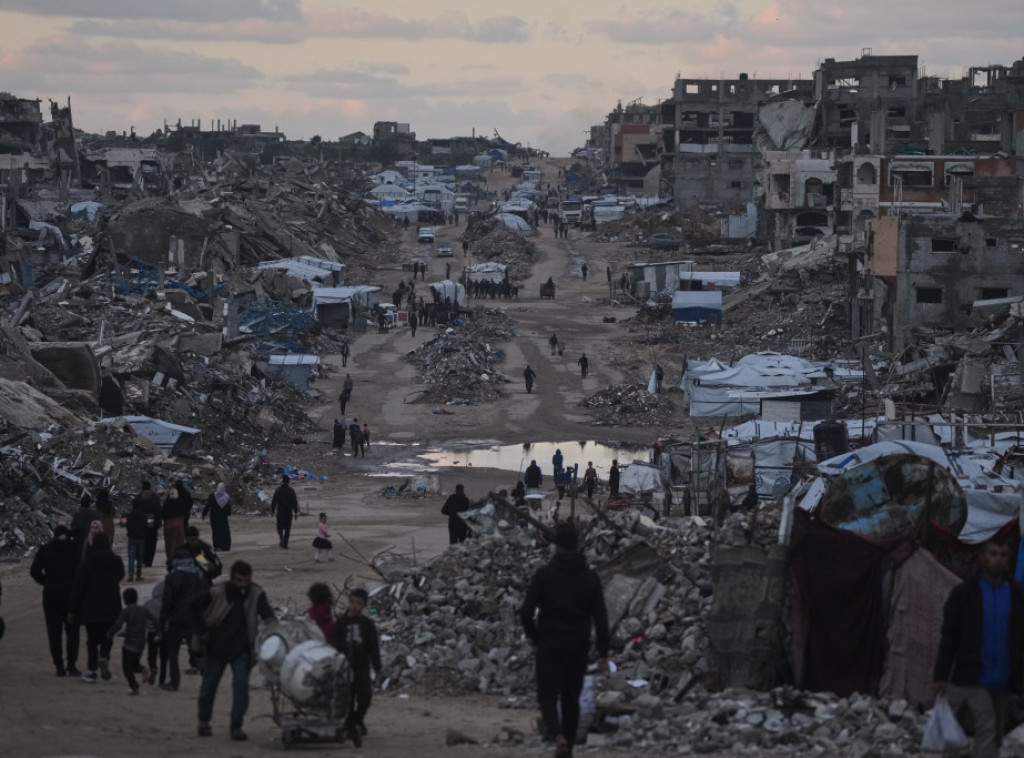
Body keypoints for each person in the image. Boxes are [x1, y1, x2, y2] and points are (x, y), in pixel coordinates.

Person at [520, 524, 610, 758]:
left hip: (549, 642)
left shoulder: (544, 575)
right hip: (578, 644)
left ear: (556, 547)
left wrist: (535, 636)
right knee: (571, 698)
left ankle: (558, 736)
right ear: (578, 546)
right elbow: (601, 618)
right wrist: (603, 653)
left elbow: (526, 612)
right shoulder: (590, 578)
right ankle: (568, 745)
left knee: (547, 695)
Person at [934, 537, 1024, 758]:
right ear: (982, 557)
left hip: (1003, 679)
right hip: (974, 676)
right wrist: (940, 676)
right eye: (993, 554)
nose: (998, 560)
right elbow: (949, 638)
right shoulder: (965, 595)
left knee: (996, 734)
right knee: (986, 725)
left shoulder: (1016, 596)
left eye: (1003, 555)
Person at [189, 560, 275, 741]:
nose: (242, 584)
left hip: (242, 650)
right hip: (215, 649)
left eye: (246, 581)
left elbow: (268, 616)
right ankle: (203, 722)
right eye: (239, 580)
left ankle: (236, 726)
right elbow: (192, 607)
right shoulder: (217, 592)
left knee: (241, 687)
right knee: (209, 686)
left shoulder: (256, 593)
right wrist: (201, 630)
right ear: (232, 578)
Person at [68, 532, 124, 684]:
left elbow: (78, 588)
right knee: (108, 635)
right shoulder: (116, 561)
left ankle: (92, 671)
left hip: (91, 607)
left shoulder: (86, 563)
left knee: (92, 641)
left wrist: (72, 609)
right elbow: (120, 576)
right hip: (112, 606)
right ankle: (104, 656)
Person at [330, 589, 381, 748]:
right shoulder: (341, 623)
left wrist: (377, 666)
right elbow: (333, 642)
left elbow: (373, 647)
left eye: (358, 603)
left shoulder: (367, 624)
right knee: (348, 699)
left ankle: (357, 721)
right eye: (352, 602)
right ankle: (352, 726)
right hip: (344, 667)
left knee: (365, 697)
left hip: (361, 666)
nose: (354, 606)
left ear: (364, 605)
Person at [30, 526, 81, 677]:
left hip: (51, 595)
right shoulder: (73, 549)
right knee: (73, 632)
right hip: (70, 596)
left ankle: (59, 666)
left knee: (54, 633)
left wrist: (45, 582)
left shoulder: (45, 550)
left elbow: (34, 571)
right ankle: (71, 664)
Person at [161, 545, 208, 691]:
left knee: (173, 654)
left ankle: (174, 683)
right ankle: (207, 678)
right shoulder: (199, 575)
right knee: (197, 651)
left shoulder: (172, 577)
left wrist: (163, 620)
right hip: (194, 620)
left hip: (177, 620)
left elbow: (167, 601)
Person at [107, 587, 154, 695]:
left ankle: (134, 687)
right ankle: (143, 669)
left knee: (127, 668)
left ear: (124, 600)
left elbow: (119, 624)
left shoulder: (126, 611)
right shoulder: (143, 610)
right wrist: (159, 633)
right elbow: (155, 620)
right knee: (134, 664)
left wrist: (110, 633)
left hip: (129, 643)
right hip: (141, 642)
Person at [136, 483, 161, 569]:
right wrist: (158, 522)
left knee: (143, 542)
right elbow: (159, 509)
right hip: (153, 523)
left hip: (141, 523)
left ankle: (143, 559)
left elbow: (135, 508)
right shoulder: (155, 497)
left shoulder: (140, 497)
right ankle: (149, 561)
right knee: (152, 543)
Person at [271, 475, 300, 549]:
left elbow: (274, 500)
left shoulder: (278, 490)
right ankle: (285, 543)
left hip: (280, 512)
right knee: (287, 528)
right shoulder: (291, 490)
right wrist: (296, 512)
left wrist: (272, 510)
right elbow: (295, 502)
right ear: (289, 481)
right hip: (288, 512)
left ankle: (281, 538)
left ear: (282, 481)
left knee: (279, 527)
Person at [162, 486, 188, 566]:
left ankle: (170, 558)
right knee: (179, 541)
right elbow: (185, 513)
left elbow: (163, 514)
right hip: (179, 523)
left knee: (169, 542)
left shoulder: (167, 503)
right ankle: (179, 558)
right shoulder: (180, 503)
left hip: (168, 524)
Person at [125, 498, 148, 582]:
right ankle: (138, 575)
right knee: (140, 558)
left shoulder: (130, 515)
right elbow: (145, 526)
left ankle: (131, 573)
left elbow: (127, 525)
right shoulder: (143, 515)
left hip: (132, 538)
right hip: (141, 538)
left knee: (131, 557)